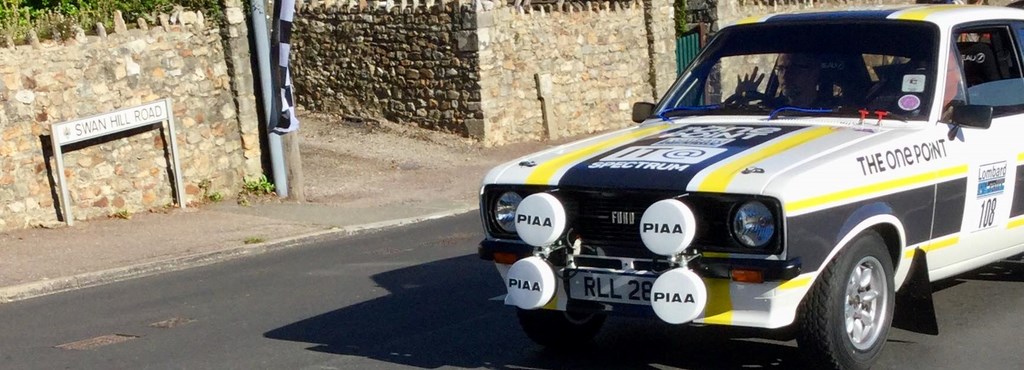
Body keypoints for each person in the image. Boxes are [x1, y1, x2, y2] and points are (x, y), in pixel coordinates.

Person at [733, 53, 822, 107]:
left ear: (813, 72)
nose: (784, 75)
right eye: (780, 69)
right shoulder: (769, 107)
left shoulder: (831, 111)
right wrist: (741, 99)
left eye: (793, 69)